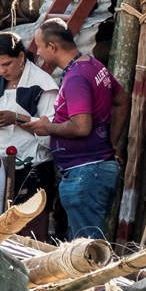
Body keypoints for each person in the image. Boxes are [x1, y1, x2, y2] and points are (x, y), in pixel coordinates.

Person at [24, 20, 125, 241]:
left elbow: (81, 127)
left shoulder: (76, 78)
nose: (38, 53)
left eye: (40, 47)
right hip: (93, 170)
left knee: (86, 251)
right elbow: (122, 100)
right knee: (87, 245)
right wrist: (112, 139)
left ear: (52, 47)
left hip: (86, 174)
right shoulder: (93, 65)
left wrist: (46, 128)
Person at [0, 30, 60, 208]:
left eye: (7, 64)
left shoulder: (42, 84)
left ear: (21, 56)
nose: (2, 70)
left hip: (33, 170)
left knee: (31, 232)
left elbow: (50, 135)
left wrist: (16, 119)